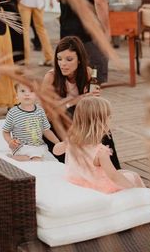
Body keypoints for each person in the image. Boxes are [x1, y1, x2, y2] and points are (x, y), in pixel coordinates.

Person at [42, 36, 121, 168]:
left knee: (99, 122)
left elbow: (88, 104)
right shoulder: (51, 77)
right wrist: (74, 101)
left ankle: (112, 168)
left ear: (79, 60)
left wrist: (93, 98)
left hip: (79, 121)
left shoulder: (87, 73)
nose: (63, 64)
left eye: (69, 59)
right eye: (59, 59)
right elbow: (45, 114)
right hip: (56, 125)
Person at [53, 96, 144, 193]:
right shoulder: (100, 152)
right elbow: (113, 176)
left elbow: (56, 151)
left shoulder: (72, 142)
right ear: (100, 122)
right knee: (134, 176)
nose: (111, 119)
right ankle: (145, 197)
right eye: (109, 117)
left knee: (126, 173)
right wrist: (133, 189)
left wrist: (67, 142)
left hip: (77, 181)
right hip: (98, 188)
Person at [2, 82, 61, 161]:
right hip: (21, 147)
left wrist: (57, 142)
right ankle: (14, 159)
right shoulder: (13, 112)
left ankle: (20, 159)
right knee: (36, 158)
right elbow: (5, 131)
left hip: (39, 146)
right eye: (23, 91)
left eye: (31, 91)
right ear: (16, 95)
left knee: (46, 157)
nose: (27, 94)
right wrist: (10, 141)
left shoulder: (40, 111)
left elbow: (46, 130)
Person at [15, 0, 54, 66]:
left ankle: (26, 61)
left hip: (25, 1)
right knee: (41, 30)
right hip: (39, 2)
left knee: (25, 31)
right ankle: (49, 57)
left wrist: (16, 0)